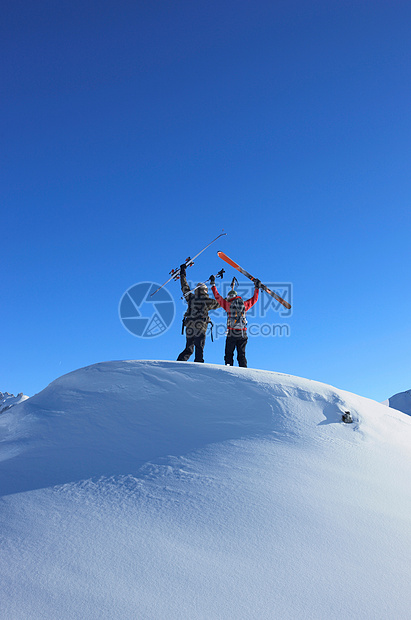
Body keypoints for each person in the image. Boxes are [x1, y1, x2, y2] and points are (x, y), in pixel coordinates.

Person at [210, 276, 260, 368]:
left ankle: (229, 369)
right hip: (242, 333)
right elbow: (254, 299)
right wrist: (257, 288)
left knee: (229, 353)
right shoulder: (244, 305)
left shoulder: (228, 305)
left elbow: (217, 297)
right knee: (241, 355)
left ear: (229, 297)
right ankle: (244, 370)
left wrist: (213, 284)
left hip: (232, 333)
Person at [177, 264, 220, 363]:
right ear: (205, 290)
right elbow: (221, 303)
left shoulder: (191, 298)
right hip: (200, 327)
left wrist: (182, 272)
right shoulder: (207, 300)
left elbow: (184, 287)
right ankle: (199, 367)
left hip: (189, 326)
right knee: (199, 349)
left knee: (189, 349)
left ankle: (179, 363)